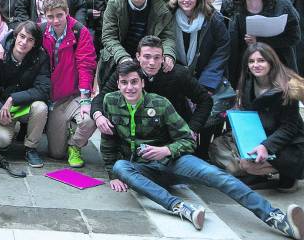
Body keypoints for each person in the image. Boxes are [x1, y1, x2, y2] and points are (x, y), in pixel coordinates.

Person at [104, 61, 304, 239]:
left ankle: (276, 217)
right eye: (124, 82)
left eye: (134, 82)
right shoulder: (110, 102)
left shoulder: (160, 103)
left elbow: (187, 140)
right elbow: (108, 138)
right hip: (143, 169)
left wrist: (166, 150)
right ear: (118, 84)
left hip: (174, 161)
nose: (129, 87)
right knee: (120, 167)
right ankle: (181, 208)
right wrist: (112, 173)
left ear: (142, 82)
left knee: (217, 175)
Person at [211, 43, 304, 192]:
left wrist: (266, 146)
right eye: (251, 61)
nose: (256, 65)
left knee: (246, 164)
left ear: (271, 62)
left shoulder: (287, 88)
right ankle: (256, 172)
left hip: (287, 143)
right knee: (217, 146)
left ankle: (286, 173)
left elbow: (289, 128)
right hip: (259, 134)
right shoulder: (248, 82)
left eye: (261, 60)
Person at [94, 36, 213, 140]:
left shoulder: (178, 74)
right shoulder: (127, 72)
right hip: (137, 133)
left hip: (172, 132)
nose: (152, 62)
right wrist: (98, 116)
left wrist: (193, 128)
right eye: (147, 57)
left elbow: (205, 100)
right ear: (138, 56)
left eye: (157, 58)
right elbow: (102, 96)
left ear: (163, 58)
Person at [96, 0, 176, 94]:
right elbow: (108, 37)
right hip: (119, 53)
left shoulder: (162, 5)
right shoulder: (114, 3)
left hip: (149, 55)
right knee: (111, 91)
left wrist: (168, 54)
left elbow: (167, 36)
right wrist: (122, 57)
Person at [39, 0, 97, 167]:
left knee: (89, 118)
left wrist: (86, 99)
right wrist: (4, 44)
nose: (55, 21)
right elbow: (18, 36)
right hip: (50, 97)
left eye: (59, 15)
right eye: (50, 16)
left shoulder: (80, 32)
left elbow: (86, 65)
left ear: (67, 12)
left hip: (71, 95)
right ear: (44, 16)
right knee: (56, 154)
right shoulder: (41, 30)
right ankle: (65, 130)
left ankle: (75, 144)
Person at [0, 21, 50, 168]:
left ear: (35, 43)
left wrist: (13, 98)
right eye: (22, 36)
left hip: (25, 106)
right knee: (1, 141)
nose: (24, 42)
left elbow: (43, 89)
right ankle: (3, 135)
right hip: (2, 107)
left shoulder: (40, 58)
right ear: (15, 36)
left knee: (41, 107)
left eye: (30, 39)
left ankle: (31, 148)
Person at [228, 0, 301, 85]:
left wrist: (260, 41)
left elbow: (294, 37)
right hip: (250, 69)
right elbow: (234, 46)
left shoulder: (282, 6)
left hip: (280, 65)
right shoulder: (236, 9)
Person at [171, 0, 230, 91]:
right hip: (176, 75)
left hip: (205, 75)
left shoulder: (213, 18)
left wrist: (207, 81)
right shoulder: (168, 16)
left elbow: (222, 50)